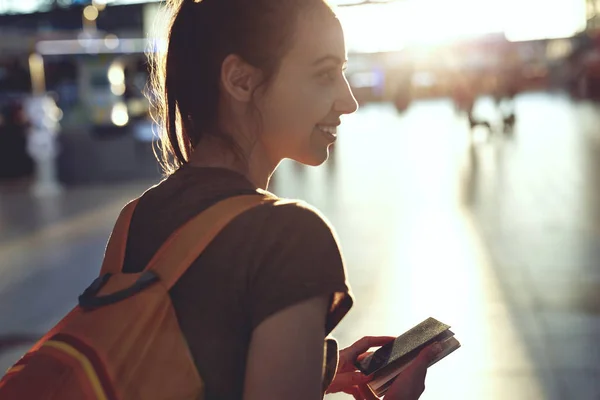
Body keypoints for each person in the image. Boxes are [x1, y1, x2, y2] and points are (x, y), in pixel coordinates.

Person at [138, 0, 444, 398]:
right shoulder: (289, 236)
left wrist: (311, 375)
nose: (348, 101)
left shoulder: (136, 218)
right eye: (324, 74)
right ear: (241, 81)